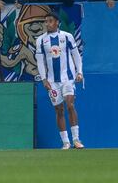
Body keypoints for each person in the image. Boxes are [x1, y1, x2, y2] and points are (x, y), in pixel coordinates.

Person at [35, 12, 84, 150]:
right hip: (52, 81)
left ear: (57, 22)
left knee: (70, 105)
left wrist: (80, 72)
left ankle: (76, 140)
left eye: (50, 21)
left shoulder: (67, 36)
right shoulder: (40, 40)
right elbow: (40, 61)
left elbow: (76, 55)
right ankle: (66, 142)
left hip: (68, 78)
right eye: (46, 21)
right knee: (59, 110)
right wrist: (44, 79)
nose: (47, 24)